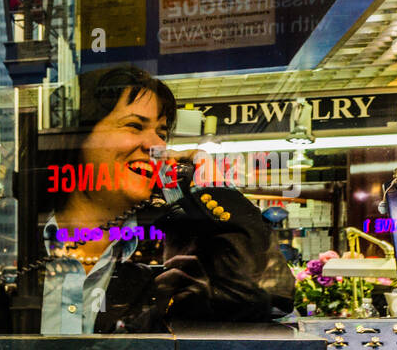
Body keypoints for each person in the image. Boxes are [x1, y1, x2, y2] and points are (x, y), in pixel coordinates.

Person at [40, 64, 293, 334]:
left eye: (161, 133)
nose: (157, 146)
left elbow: (271, 296)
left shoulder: (161, 268)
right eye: (134, 126)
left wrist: (213, 193)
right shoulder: (15, 253)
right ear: (75, 139)